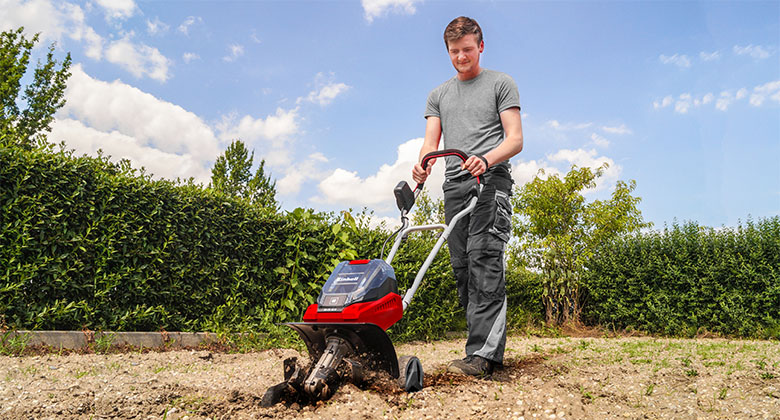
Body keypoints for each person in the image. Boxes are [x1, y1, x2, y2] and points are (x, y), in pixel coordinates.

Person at [412, 16, 524, 377]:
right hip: (454, 185)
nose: (461, 57)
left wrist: (486, 159)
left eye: (467, 49)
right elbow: (430, 143)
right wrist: (423, 165)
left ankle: (483, 355)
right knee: (462, 266)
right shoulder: (438, 95)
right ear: (447, 51)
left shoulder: (501, 84)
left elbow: (515, 139)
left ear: (481, 46)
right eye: (454, 51)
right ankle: (479, 347)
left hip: (491, 180)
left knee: (484, 258)